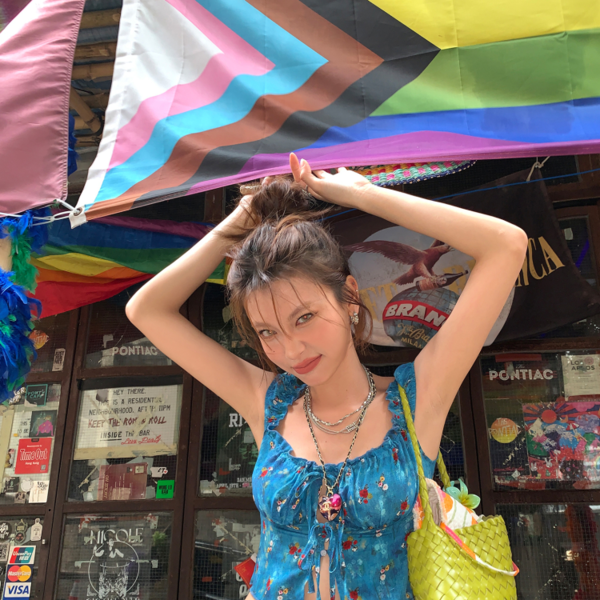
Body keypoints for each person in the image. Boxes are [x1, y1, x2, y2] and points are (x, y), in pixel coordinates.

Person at [126, 154, 528, 599]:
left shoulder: (418, 399)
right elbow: (146, 310)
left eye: (304, 318)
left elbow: (506, 245)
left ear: (349, 296)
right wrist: (244, 217)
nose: (290, 351)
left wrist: (361, 194)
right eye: (267, 332)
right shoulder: (267, 402)